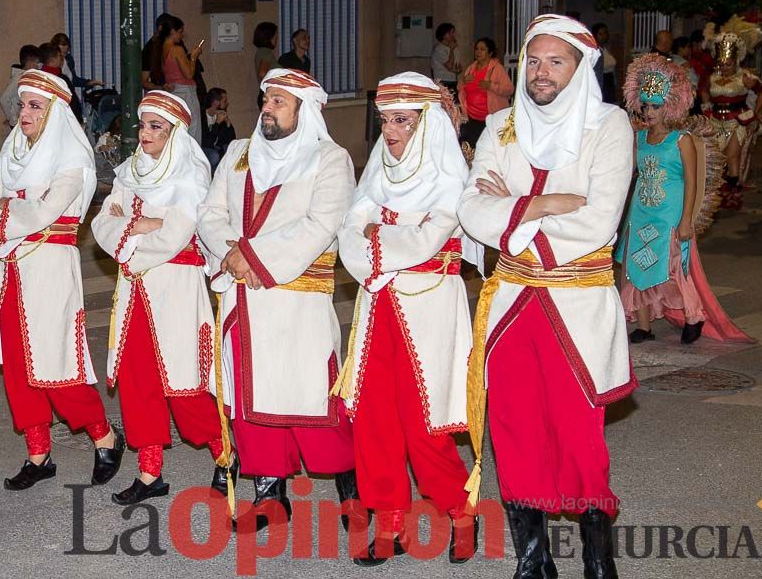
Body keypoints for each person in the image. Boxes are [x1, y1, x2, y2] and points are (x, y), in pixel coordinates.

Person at [459, 14, 634, 579]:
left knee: (579, 436)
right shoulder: (502, 124)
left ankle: (597, 556)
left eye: (555, 61)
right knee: (513, 430)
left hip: (576, 305)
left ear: (581, 67)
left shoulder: (609, 126)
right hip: (512, 301)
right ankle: (533, 559)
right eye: (533, 60)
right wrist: (544, 203)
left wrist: (510, 205)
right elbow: (471, 209)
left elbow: (600, 219)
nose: (540, 72)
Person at [198, 68, 360, 532]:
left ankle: (353, 495)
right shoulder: (238, 153)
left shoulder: (331, 160)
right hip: (244, 300)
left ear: (304, 112)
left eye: (280, 103)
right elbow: (211, 213)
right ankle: (270, 498)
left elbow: (321, 224)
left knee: (315, 401)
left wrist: (250, 256)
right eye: (267, 99)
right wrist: (232, 254)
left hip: (297, 303)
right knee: (251, 405)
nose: (267, 108)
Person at [336, 73, 481, 565]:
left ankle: (460, 512)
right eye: (385, 120)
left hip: (428, 310)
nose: (391, 131)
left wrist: (380, 231)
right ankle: (390, 519)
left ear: (426, 123)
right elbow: (349, 233)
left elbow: (427, 240)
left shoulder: (448, 176)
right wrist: (385, 238)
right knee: (374, 418)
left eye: (402, 120)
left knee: (425, 422)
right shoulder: (378, 172)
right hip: (379, 305)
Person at [0, 70, 124, 491]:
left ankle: (104, 437)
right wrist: (14, 206)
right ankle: (38, 454)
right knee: (18, 367)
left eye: (35, 106)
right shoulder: (12, 152)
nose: (24, 112)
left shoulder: (72, 160)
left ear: (55, 112)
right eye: (22, 105)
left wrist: (10, 206)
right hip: (12, 268)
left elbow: (46, 214)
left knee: (55, 361)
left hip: (48, 269)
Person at [91, 91, 226, 505]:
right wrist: (141, 226)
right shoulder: (130, 170)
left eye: (156, 127)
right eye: (143, 124)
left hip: (175, 288)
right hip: (135, 288)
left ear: (175, 133)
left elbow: (177, 235)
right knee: (137, 381)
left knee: (183, 384)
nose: (145, 133)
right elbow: (102, 222)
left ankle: (226, 457)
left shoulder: (190, 175)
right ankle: (150, 474)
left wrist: (133, 233)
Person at [617, 55, 753, 347]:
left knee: (673, 266)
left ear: (670, 107)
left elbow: (692, 182)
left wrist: (686, 220)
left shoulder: (682, 140)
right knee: (635, 266)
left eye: (656, 106)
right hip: (640, 211)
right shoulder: (638, 138)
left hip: (669, 214)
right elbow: (630, 174)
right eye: (646, 106)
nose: (650, 112)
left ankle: (694, 316)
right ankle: (643, 326)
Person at [701, 32, 762, 209]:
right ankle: (718, 190)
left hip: (736, 121)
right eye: (721, 64)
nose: (724, 67)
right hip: (715, 121)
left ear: (736, 61)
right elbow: (705, 91)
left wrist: (755, 112)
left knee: (732, 156)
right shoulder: (713, 77)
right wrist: (706, 107)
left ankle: (733, 193)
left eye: (728, 64)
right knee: (716, 157)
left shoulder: (744, 77)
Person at [457, 36, 513, 146]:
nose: (478, 52)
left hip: (490, 118)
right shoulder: (471, 68)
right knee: (471, 147)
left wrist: (491, 86)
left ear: (490, 53)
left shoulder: (497, 69)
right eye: (477, 49)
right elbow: (460, 88)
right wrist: (463, 81)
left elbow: (509, 89)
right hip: (471, 117)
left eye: (482, 49)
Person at [160, 20, 204, 142]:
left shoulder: (163, 49)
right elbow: (189, 74)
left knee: (179, 129)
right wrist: (194, 57)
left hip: (173, 92)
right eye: (180, 32)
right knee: (192, 129)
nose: (182, 35)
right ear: (172, 31)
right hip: (186, 91)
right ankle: (193, 159)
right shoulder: (177, 50)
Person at [38, 42, 84, 123]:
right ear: (52, 61)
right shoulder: (62, 80)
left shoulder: (37, 78)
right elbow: (73, 104)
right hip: (62, 122)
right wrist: (79, 120)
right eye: (60, 56)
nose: (62, 58)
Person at [0, 44, 40, 132]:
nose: (39, 66)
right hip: (20, 123)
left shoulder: (29, 77)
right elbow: (4, 98)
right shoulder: (19, 78)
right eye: (37, 62)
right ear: (29, 62)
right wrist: (13, 120)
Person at [51, 31, 101, 102]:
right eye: (61, 53)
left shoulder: (69, 59)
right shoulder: (50, 64)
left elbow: (73, 80)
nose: (63, 56)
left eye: (65, 52)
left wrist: (88, 82)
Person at [201, 87, 236, 173]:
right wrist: (217, 123)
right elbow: (207, 143)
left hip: (217, 148)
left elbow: (231, 140)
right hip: (203, 149)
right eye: (224, 101)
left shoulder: (220, 114)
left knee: (231, 149)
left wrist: (228, 124)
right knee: (214, 156)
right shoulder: (201, 117)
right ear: (216, 103)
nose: (227, 103)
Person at [142, 14, 175, 92]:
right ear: (160, 28)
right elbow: (144, 81)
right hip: (164, 93)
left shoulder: (176, 44)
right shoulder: (149, 49)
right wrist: (162, 88)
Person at [429, 22, 461, 99]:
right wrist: (452, 50)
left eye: (453, 33)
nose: (453, 35)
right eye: (450, 33)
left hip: (453, 81)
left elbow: (456, 67)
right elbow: (449, 65)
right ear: (443, 34)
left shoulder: (453, 48)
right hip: (442, 82)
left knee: (454, 105)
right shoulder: (439, 49)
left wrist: (457, 69)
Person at [589, 23, 619, 104]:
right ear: (595, 35)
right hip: (602, 83)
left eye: (605, 33)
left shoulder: (607, 49)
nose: (603, 36)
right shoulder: (595, 51)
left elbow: (613, 69)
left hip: (610, 82)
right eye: (600, 34)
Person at [251, 21, 278, 109]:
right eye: (275, 35)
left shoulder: (262, 51)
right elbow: (262, 73)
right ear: (269, 37)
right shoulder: (266, 52)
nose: (276, 38)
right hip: (269, 94)